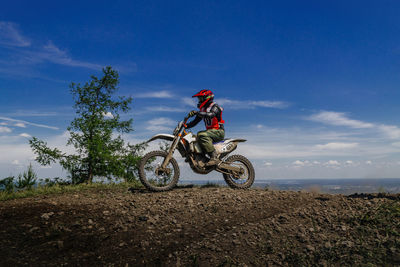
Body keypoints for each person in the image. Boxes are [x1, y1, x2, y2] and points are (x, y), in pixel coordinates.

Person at [186, 89, 225, 166]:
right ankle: (201, 157)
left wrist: (197, 112)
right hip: (211, 133)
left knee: (201, 134)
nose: (199, 100)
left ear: (207, 98)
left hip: (218, 132)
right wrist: (186, 125)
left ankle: (214, 158)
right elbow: (195, 121)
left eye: (200, 98)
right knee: (194, 138)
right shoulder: (203, 109)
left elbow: (211, 114)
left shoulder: (215, 107)